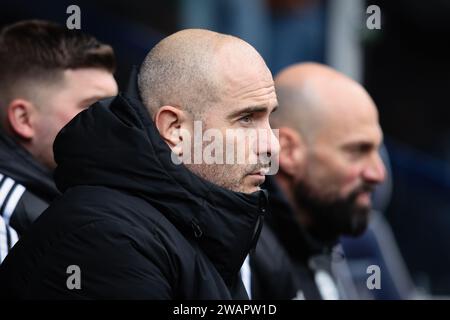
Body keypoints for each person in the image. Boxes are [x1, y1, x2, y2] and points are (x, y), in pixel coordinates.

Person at [0, 29, 279, 299]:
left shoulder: (198, 223)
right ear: (175, 129)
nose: (271, 145)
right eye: (246, 119)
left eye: (269, 119)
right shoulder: (107, 237)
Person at [262, 62, 386, 299]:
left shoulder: (317, 237)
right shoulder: (242, 264)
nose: (379, 173)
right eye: (358, 150)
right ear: (287, 151)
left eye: (377, 150)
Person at [0, 20, 118, 262]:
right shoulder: (9, 222)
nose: (118, 123)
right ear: (24, 119)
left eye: (117, 109)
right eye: (94, 107)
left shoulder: (65, 201)